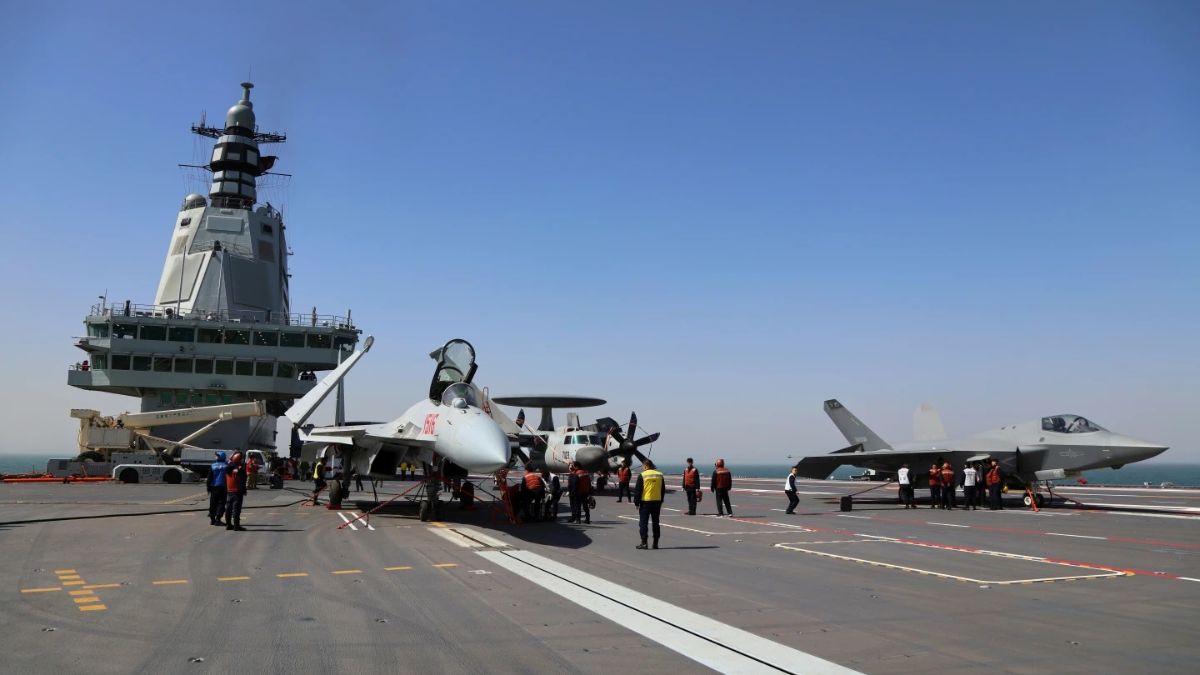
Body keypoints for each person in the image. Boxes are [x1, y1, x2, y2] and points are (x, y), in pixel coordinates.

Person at [634, 459, 665, 549]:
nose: (643, 468)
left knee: (643, 523)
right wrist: (661, 500)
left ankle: (644, 543)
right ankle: (655, 543)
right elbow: (662, 490)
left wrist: (636, 502)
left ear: (646, 466)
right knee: (656, 523)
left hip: (645, 502)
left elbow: (638, 491)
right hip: (657, 502)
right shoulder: (659, 475)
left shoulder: (642, 475)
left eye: (643, 466)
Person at [223, 451, 248, 531]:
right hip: (237, 491)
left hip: (229, 490)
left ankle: (228, 525)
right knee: (236, 508)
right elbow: (242, 480)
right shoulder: (240, 469)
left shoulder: (228, 467)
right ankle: (236, 526)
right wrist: (244, 490)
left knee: (228, 508)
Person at [207, 451, 228, 525]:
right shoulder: (226, 466)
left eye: (217, 456)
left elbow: (209, 478)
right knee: (221, 503)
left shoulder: (212, 466)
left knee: (213, 502)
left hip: (214, 487)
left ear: (220, 457)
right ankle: (218, 519)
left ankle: (212, 519)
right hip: (223, 487)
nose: (215, 457)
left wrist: (208, 488)